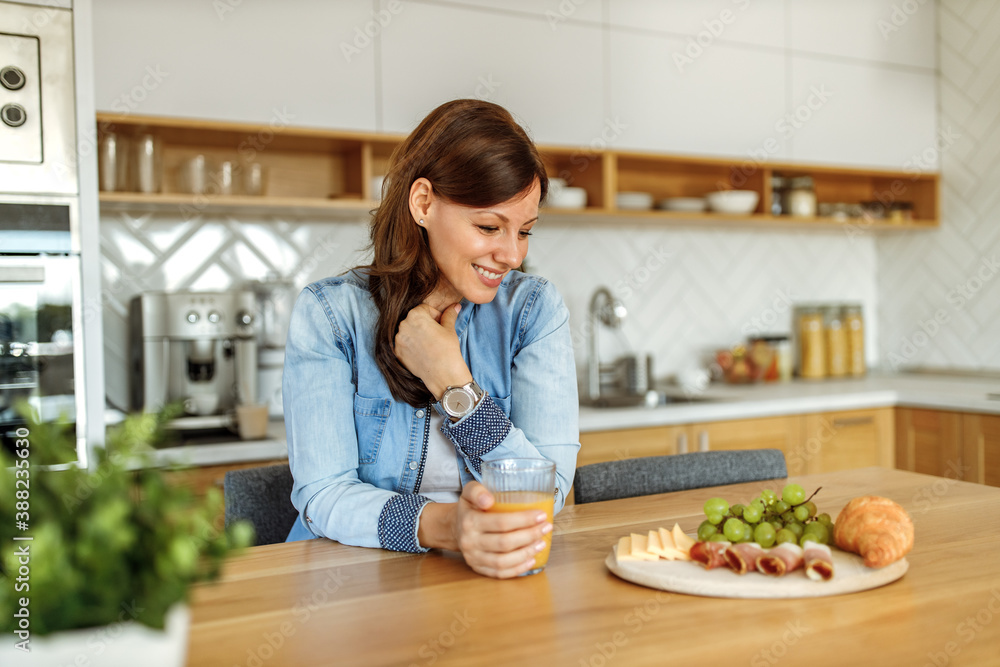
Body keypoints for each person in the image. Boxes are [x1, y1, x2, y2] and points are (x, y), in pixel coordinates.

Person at [282, 99, 580, 579]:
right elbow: (322, 495)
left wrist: (453, 384)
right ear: (423, 203)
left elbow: (548, 493)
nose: (511, 255)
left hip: (490, 578)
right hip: (349, 581)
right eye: (489, 227)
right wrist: (445, 527)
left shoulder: (533, 312)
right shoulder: (330, 315)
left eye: (524, 231)